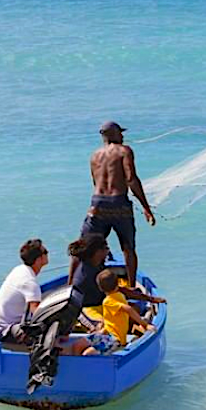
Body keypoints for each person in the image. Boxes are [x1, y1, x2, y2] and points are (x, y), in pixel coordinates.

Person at [69, 120, 155, 290]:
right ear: (114, 134)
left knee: (82, 246)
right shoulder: (124, 151)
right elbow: (131, 179)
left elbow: (96, 182)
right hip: (119, 204)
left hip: (97, 204)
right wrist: (146, 207)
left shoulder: (94, 155)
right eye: (120, 132)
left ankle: (70, 285)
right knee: (128, 248)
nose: (123, 136)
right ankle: (131, 287)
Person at [88, 269, 155, 353]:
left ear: (100, 288)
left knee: (87, 352)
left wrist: (145, 325)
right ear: (117, 285)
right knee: (82, 343)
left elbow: (128, 309)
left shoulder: (108, 302)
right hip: (108, 334)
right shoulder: (120, 296)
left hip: (114, 338)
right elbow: (112, 321)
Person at [0, 239, 49, 341]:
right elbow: (37, 313)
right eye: (45, 252)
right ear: (38, 259)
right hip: (10, 330)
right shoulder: (29, 282)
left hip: (3, 325)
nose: (48, 253)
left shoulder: (19, 269)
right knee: (52, 331)